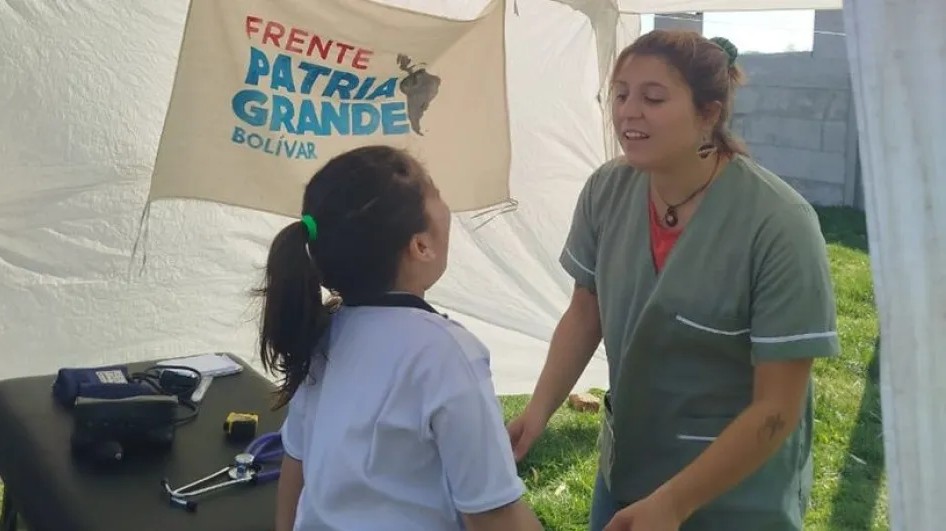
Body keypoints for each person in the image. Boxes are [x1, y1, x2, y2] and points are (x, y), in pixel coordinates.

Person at [506, 30, 839, 531]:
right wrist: (537, 412)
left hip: (735, 492)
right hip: (629, 470)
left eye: (653, 97)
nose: (628, 111)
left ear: (709, 112)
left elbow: (777, 406)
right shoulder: (607, 190)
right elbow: (585, 310)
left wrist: (674, 504)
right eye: (620, 94)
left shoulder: (779, 224)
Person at [254, 145, 544, 531]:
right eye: (437, 194)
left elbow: (297, 465)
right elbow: (494, 515)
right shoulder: (447, 355)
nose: (446, 204)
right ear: (421, 246)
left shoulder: (323, 335)